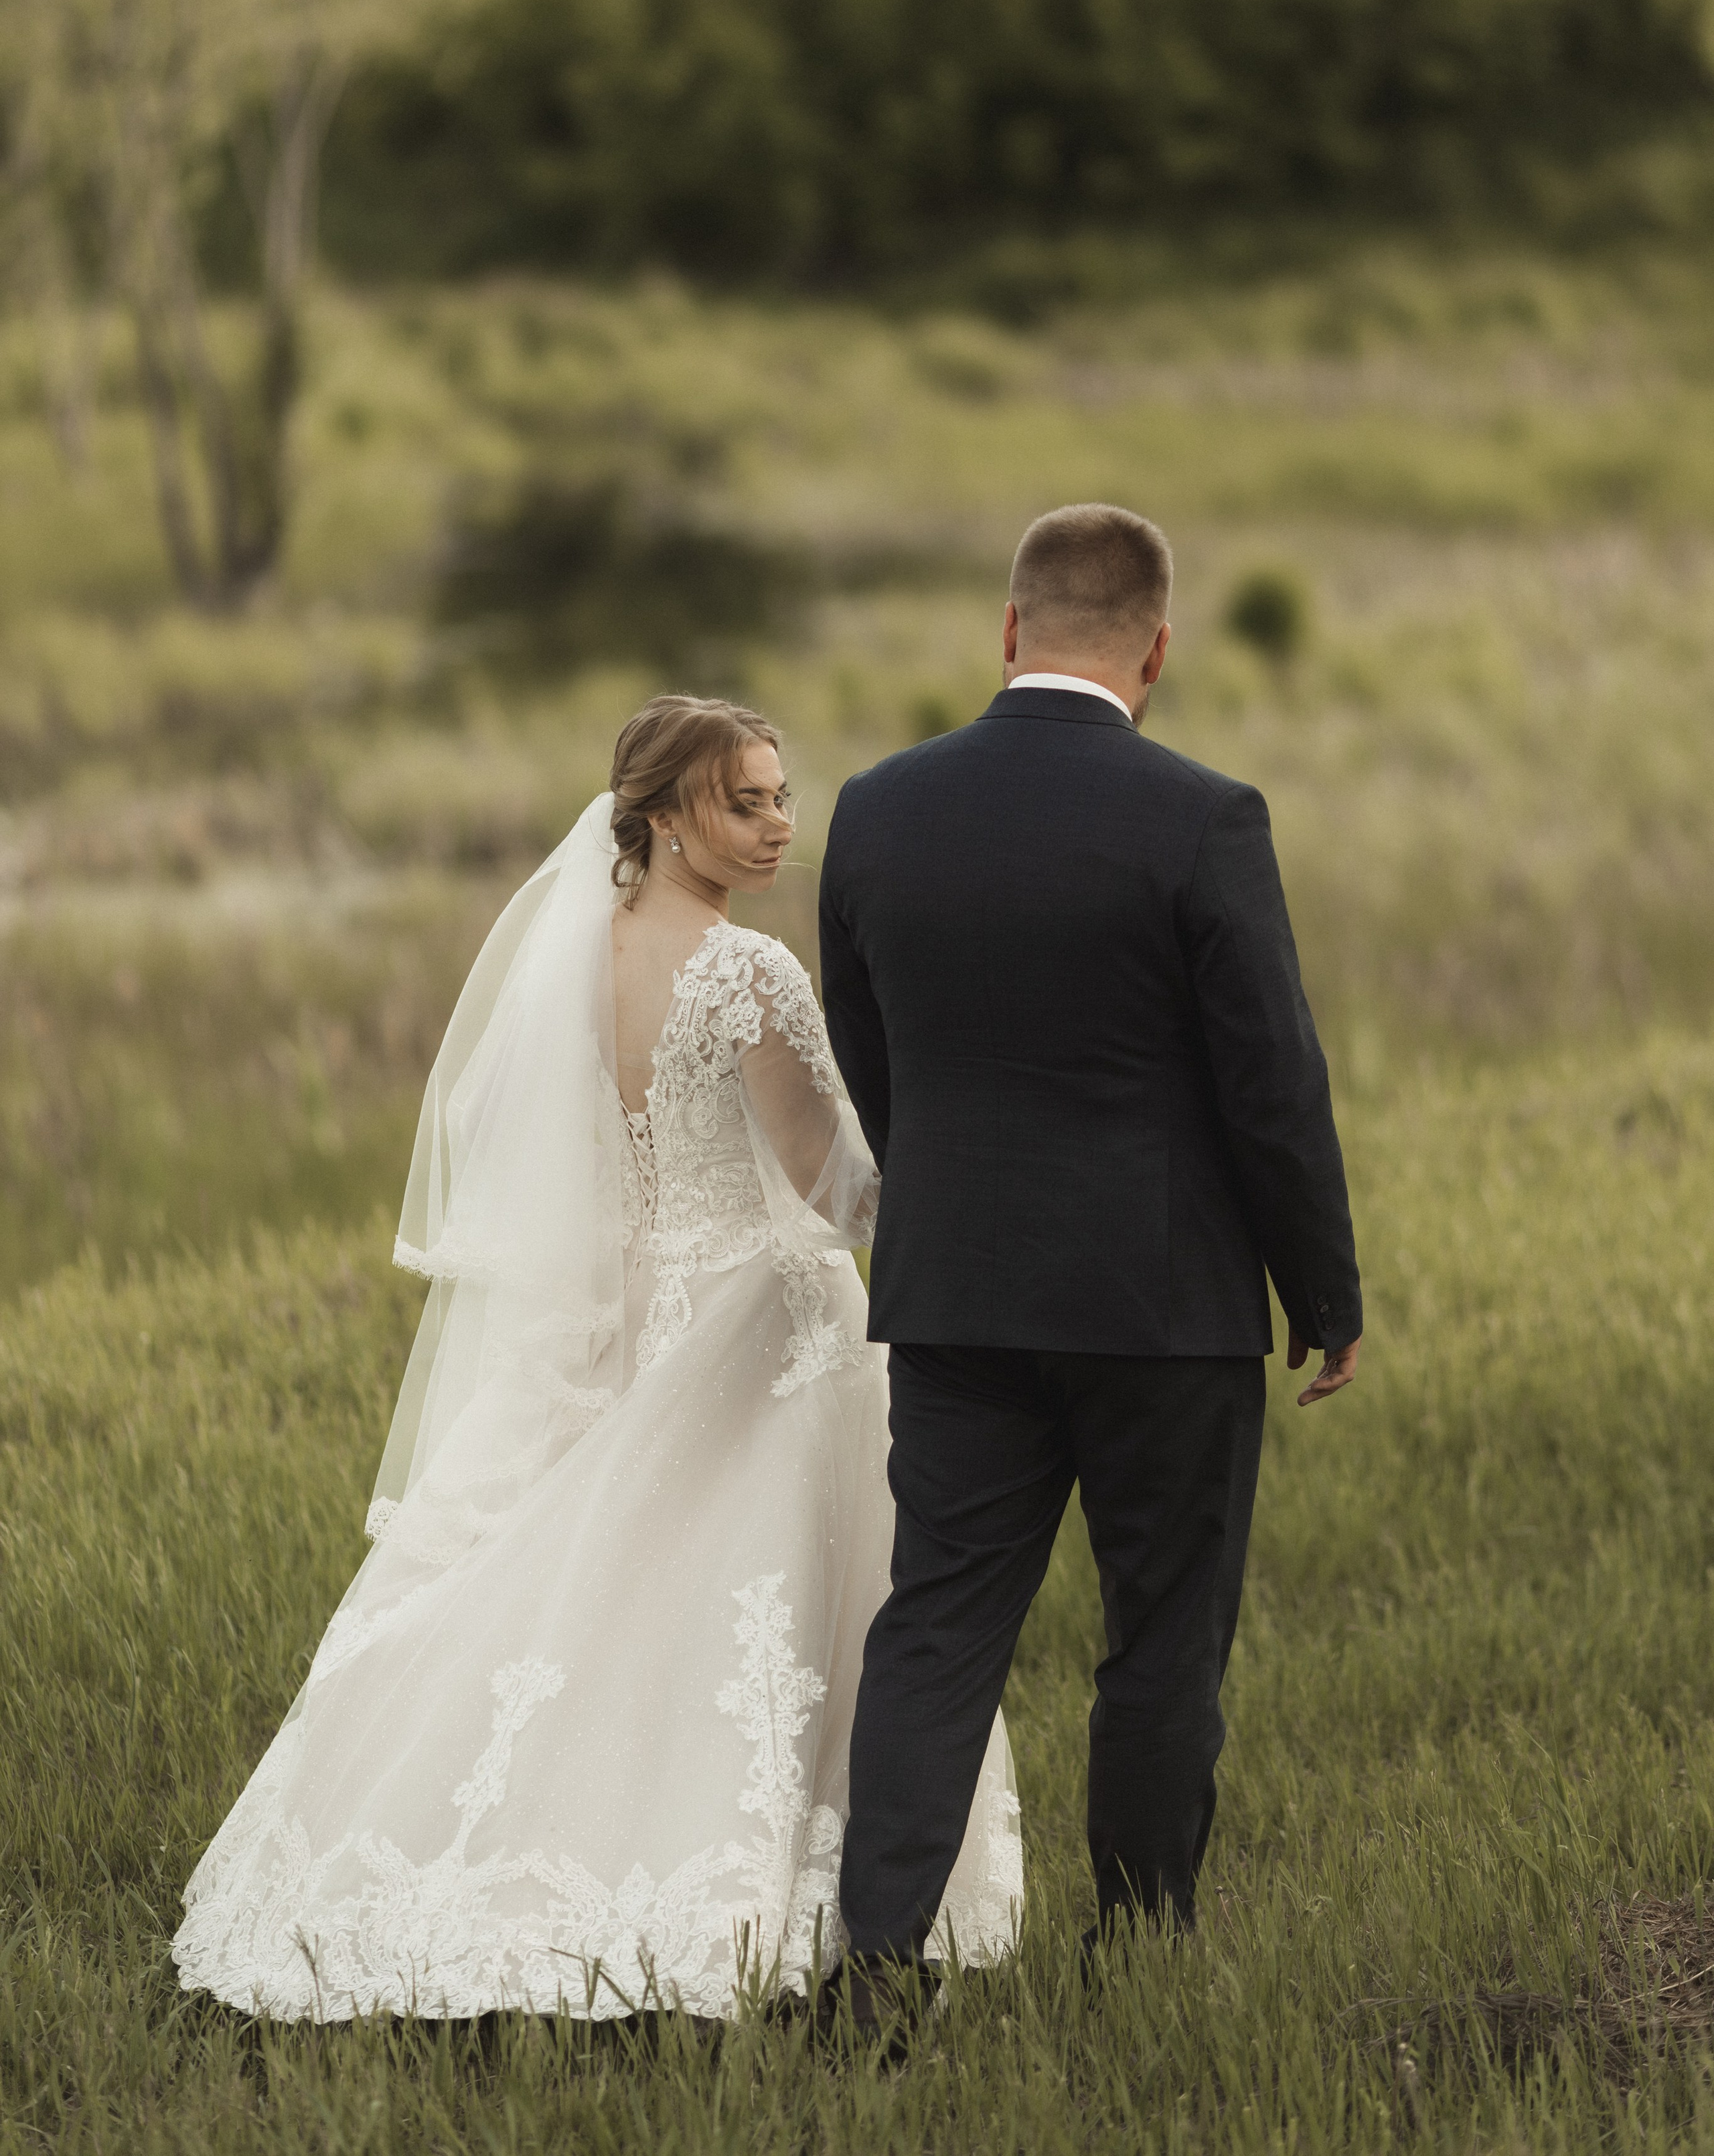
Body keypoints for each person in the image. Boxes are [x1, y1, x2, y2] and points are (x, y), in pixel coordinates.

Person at [172, 696, 1020, 2024]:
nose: (779, 823)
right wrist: (966, 1222)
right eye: (745, 801)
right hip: (761, 1319)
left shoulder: (573, 954)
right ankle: (749, 1880)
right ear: (668, 812)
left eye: (782, 796)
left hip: (627, 1309)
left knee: (595, 1594)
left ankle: (513, 1851)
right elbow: (829, 1180)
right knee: (761, 1603)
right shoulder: (746, 973)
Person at [820, 503, 1363, 2030]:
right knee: (1160, 1639)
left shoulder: (877, 808)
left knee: (935, 1625)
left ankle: (875, 1975)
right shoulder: (1203, 818)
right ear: (1157, 649)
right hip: (1162, 1310)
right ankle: (1133, 1962)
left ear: (1008, 631)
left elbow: (874, 1058)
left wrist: (947, 1199)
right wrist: (1322, 1296)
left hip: (956, 1292)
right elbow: (1272, 1086)